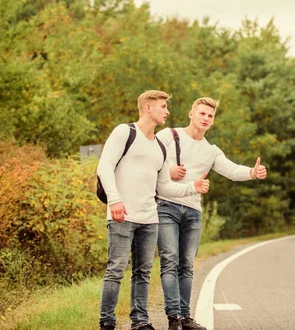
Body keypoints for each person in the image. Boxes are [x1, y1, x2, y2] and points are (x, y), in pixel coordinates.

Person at [97, 90, 211, 330]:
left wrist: (193, 187)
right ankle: (107, 323)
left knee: (143, 273)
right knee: (116, 269)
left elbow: (165, 186)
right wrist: (115, 201)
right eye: (163, 107)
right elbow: (104, 167)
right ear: (148, 108)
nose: (167, 112)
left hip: (150, 218)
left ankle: (139, 322)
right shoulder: (124, 132)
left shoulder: (160, 146)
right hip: (122, 214)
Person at [156, 97, 267, 330]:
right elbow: (146, 161)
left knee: (186, 265)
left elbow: (232, 170)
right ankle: (173, 318)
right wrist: (168, 170)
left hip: (193, 211)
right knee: (169, 262)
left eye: (210, 116)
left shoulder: (211, 150)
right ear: (191, 114)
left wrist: (253, 172)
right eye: (202, 113)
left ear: (213, 121)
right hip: (166, 206)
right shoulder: (169, 135)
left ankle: (185, 318)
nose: (206, 118)